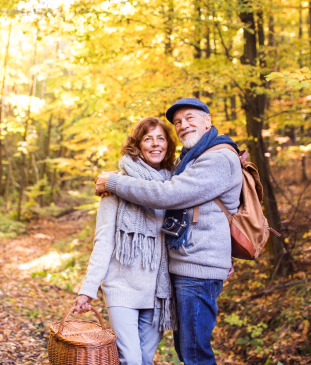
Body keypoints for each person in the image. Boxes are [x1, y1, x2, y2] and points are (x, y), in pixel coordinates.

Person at [95, 98, 242, 365]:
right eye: (177, 122)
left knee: (194, 354)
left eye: (190, 118)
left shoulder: (218, 158)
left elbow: (169, 195)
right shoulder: (191, 159)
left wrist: (115, 182)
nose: (183, 125)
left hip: (198, 269)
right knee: (188, 351)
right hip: (187, 267)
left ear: (208, 120)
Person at [73, 117, 178, 365]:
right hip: (122, 289)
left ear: (168, 145)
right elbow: (104, 242)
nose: (155, 144)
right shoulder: (116, 188)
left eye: (160, 138)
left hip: (158, 291)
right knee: (131, 359)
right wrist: (88, 289)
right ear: (137, 145)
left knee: (144, 360)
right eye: (148, 138)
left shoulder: (174, 188)